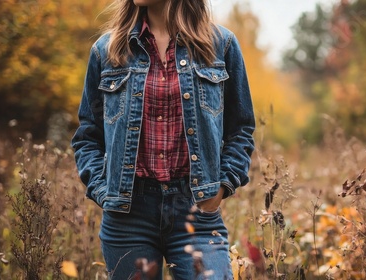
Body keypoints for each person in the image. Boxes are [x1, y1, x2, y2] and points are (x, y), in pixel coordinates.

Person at [71, 0, 255, 279]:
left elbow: (240, 128)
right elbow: (87, 136)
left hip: (196, 211)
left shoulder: (221, 45)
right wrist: (103, 190)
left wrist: (222, 186)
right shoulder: (107, 50)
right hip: (128, 216)